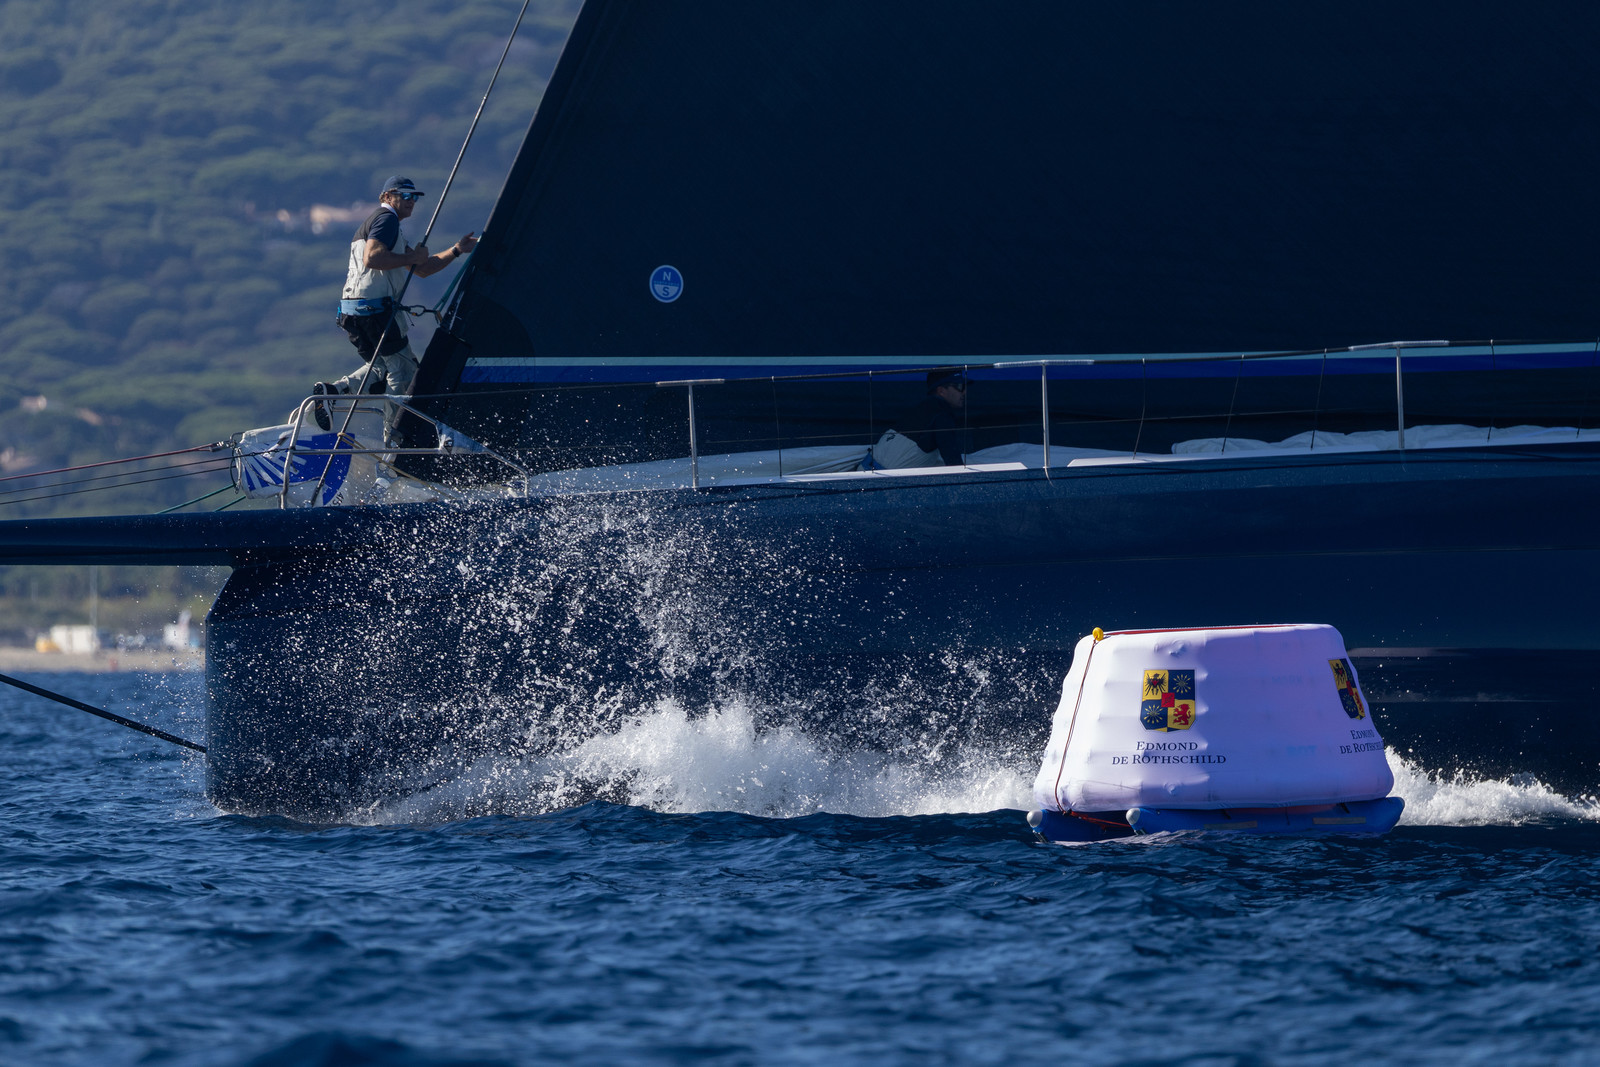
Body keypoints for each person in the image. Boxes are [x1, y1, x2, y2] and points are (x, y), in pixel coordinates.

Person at [310, 175, 478, 433]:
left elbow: (422, 268)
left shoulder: (384, 227)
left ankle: (333, 391)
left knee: (381, 368)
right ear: (387, 197)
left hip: (353, 312)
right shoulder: (386, 219)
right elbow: (373, 258)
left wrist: (457, 250)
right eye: (404, 195)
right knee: (403, 371)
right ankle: (394, 437)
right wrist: (412, 257)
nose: (411, 201)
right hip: (374, 310)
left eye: (414, 197)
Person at [865, 368, 969, 469]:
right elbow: (954, 463)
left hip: (866, 469)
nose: (964, 392)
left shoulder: (919, 409)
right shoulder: (942, 415)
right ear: (941, 391)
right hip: (886, 478)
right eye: (960, 386)